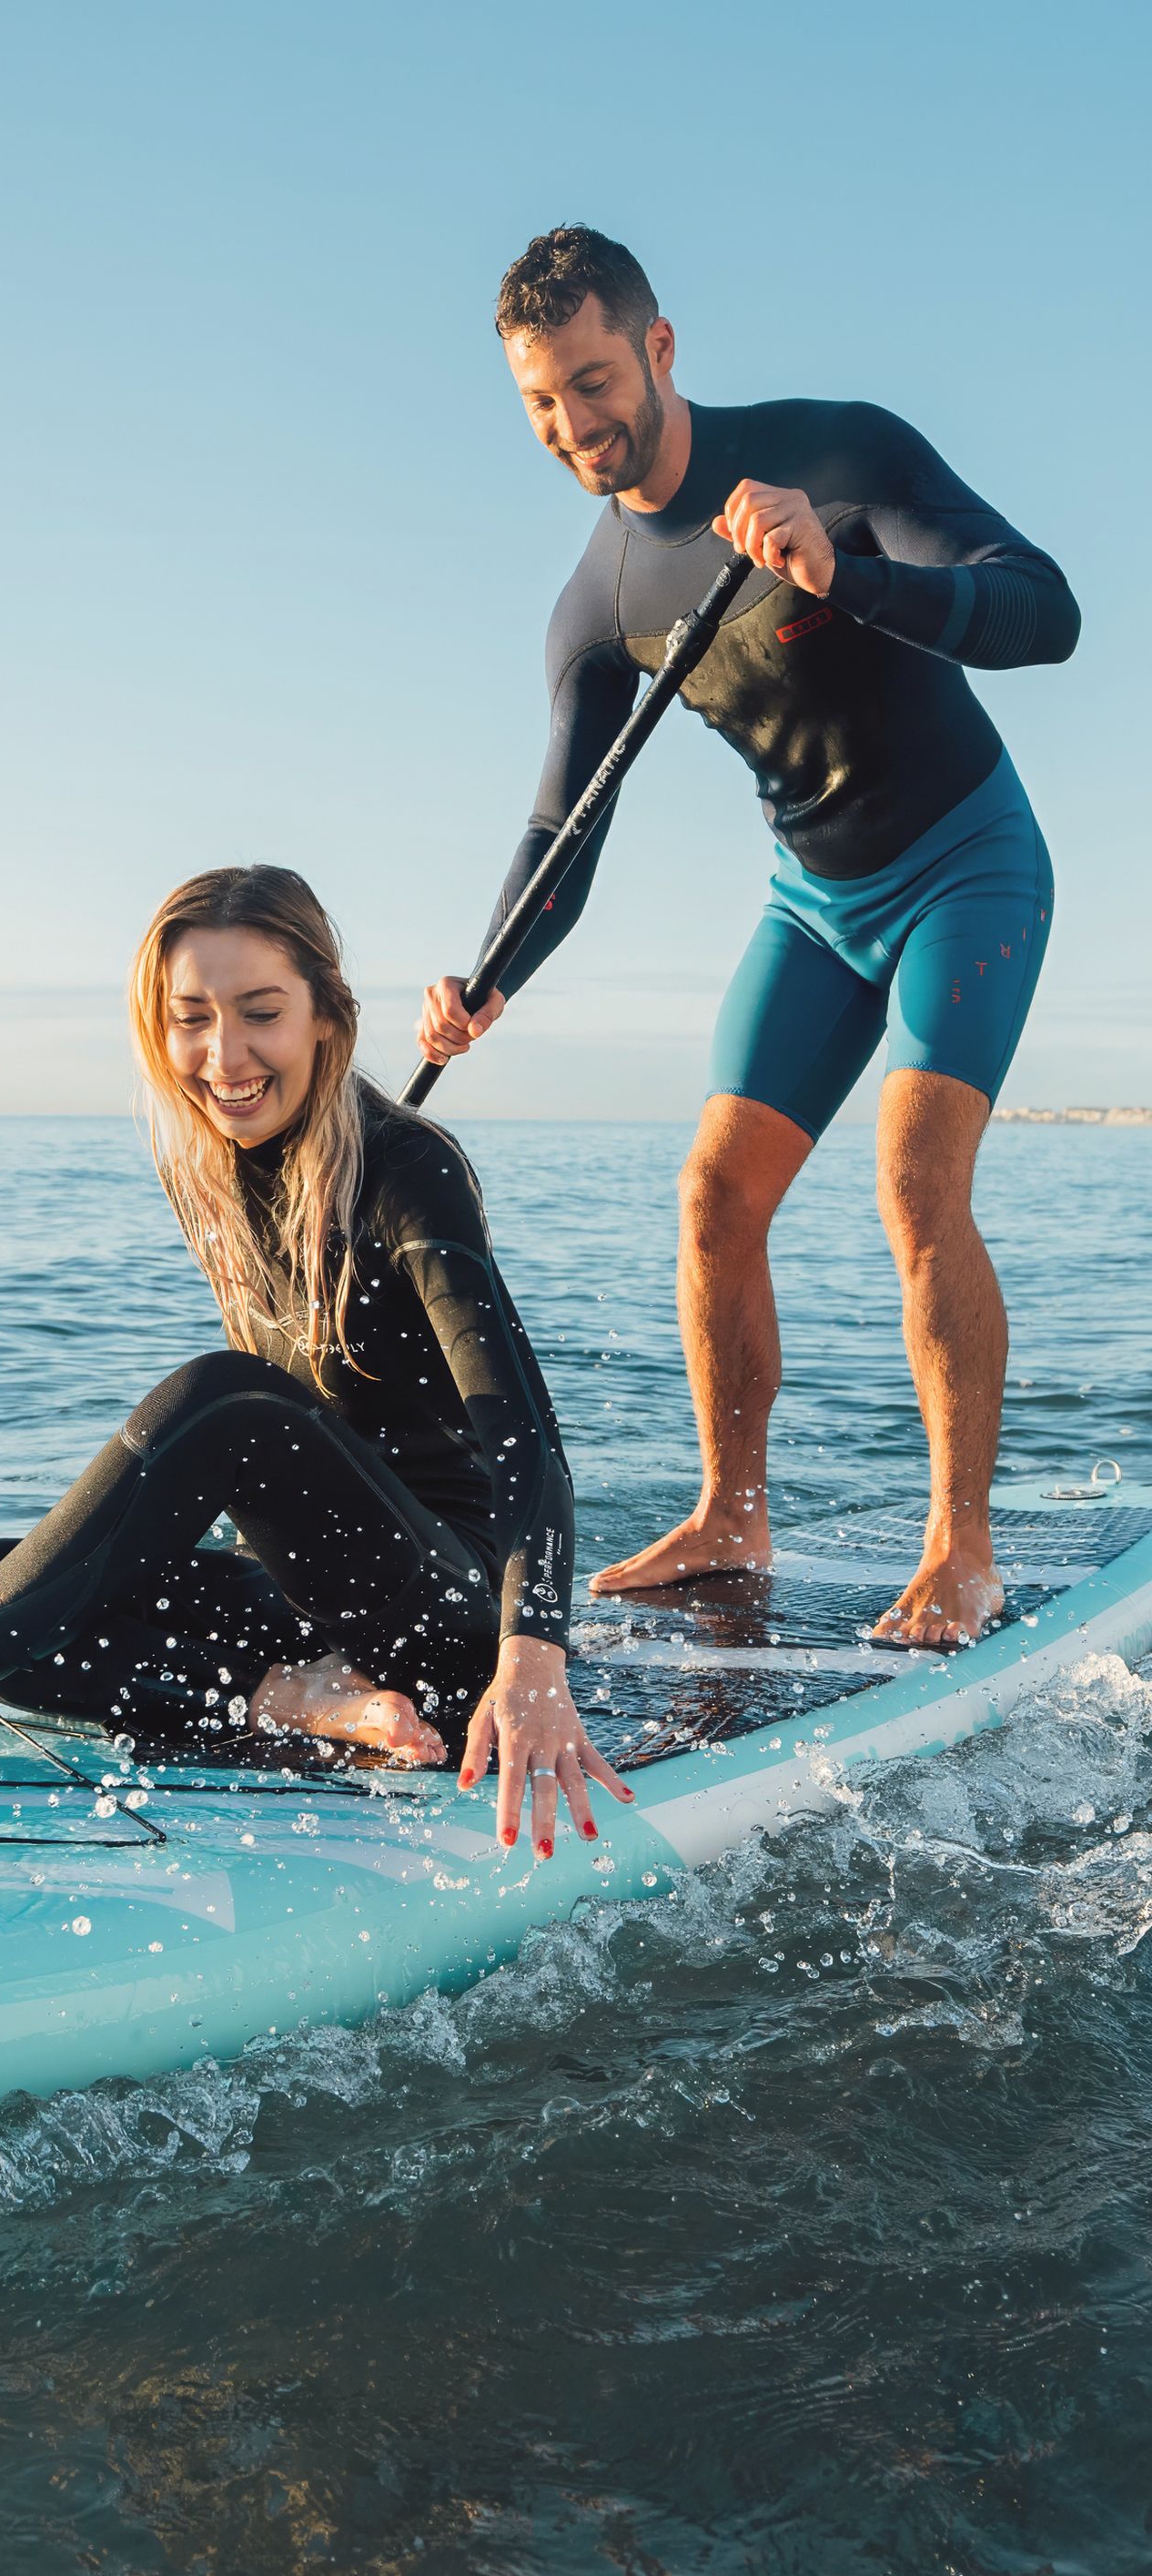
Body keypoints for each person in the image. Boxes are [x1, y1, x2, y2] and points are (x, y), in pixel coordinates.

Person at [418, 225, 1080, 1651]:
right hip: (816, 901)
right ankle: (733, 1511)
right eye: (540, 401)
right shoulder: (598, 605)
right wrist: (489, 980)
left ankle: (961, 1551)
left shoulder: (837, 454)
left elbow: (1047, 612)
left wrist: (853, 575)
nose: (573, 424)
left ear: (658, 349)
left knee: (915, 1179)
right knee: (716, 1195)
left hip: (966, 862)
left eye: (593, 381)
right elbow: (567, 826)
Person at [0, 867, 632, 1857]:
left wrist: (533, 1659)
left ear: (326, 1014)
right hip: (307, 1601)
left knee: (230, 1401)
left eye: (260, 1013)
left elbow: (530, 1443)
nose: (223, 1055)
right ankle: (294, 1698)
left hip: (452, 1623)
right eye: (191, 1018)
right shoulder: (214, 1163)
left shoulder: (409, 1169)